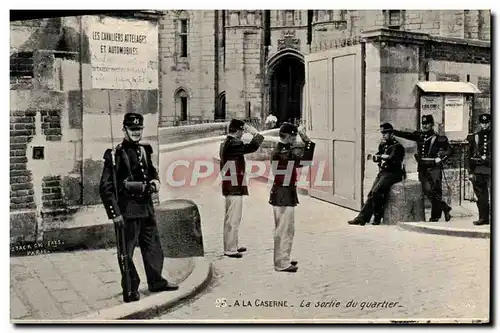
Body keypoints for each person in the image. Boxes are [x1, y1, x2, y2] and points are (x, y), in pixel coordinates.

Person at [99, 112, 178, 303]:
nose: (136, 133)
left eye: (139, 129)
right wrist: (114, 214)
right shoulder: (115, 154)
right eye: (132, 129)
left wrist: (156, 182)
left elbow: (151, 171)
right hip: (128, 212)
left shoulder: (144, 150)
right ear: (124, 129)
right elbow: (105, 187)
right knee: (126, 252)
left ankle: (156, 281)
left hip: (146, 208)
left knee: (153, 247)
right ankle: (131, 288)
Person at [269, 122, 315, 273]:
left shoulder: (283, 150)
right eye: (294, 136)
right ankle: (282, 263)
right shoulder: (284, 153)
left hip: (281, 192)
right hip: (284, 193)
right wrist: (307, 140)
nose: (295, 139)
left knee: (283, 228)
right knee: (285, 229)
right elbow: (306, 160)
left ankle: (283, 258)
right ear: (287, 136)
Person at [393, 115, 452, 222]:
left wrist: (441, 158)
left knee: (435, 191)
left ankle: (435, 216)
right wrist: (394, 131)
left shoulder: (438, 138)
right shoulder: (419, 136)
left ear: (432, 124)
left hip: (434, 167)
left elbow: (449, 151)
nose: (424, 125)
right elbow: (407, 135)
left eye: (427, 123)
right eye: (423, 123)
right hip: (423, 167)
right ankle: (444, 207)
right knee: (426, 190)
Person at [219, 119, 264, 258]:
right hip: (234, 186)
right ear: (238, 131)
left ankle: (232, 245)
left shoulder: (226, 143)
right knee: (233, 218)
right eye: (242, 131)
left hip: (230, 184)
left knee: (231, 217)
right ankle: (230, 249)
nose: (243, 133)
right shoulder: (234, 143)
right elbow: (253, 147)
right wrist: (255, 133)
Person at [348, 123, 405, 226]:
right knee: (371, 194)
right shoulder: (383, 145)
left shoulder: (398, 147)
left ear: (392, 134)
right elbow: (378, 156)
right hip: (383, 173)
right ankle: (361, 218)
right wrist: (379, 157)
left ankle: (377, 216)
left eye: (385, 133)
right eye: (382, 133)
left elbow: (392, 159)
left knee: (376, 191)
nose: (383, 135)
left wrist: (382, 157)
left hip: (393, 174)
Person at [466, 113, 491, 226]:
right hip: (479, 169)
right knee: (481, 197)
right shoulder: (475, 136)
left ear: (490, 122)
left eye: (486, 123)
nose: (484, 125)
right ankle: (483, 218)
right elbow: (469, 155)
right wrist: (470, 171)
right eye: (482, 123)